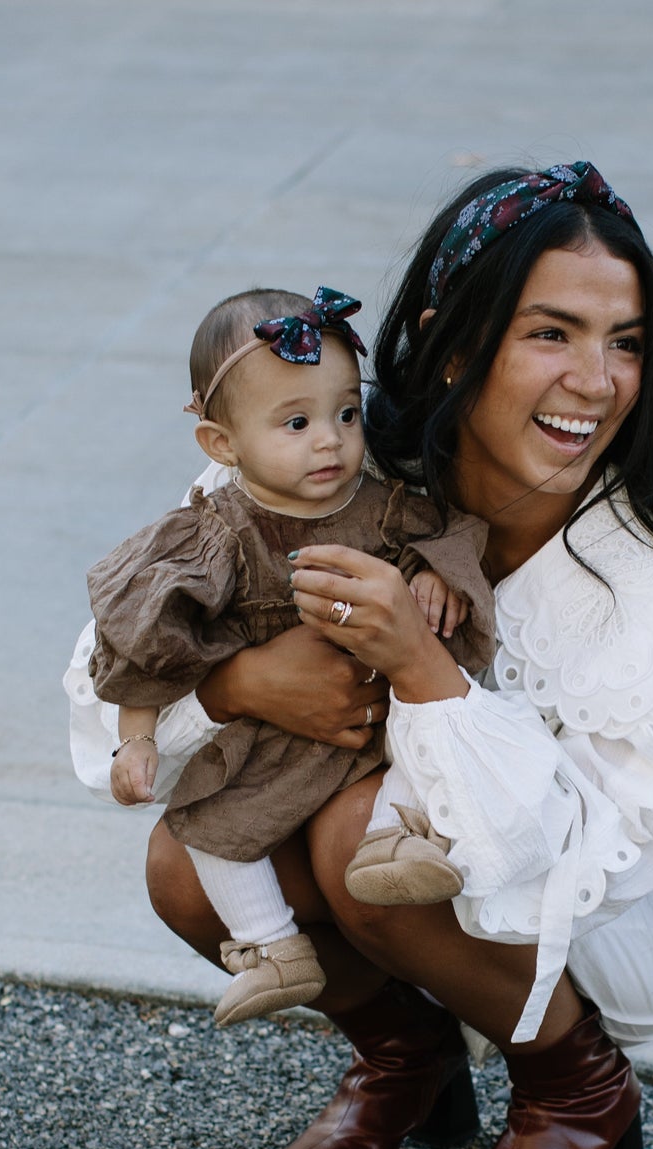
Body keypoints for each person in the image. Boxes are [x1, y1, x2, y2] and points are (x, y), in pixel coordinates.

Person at [67, 161, 653, 1149]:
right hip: (403, 874)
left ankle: (576, 1094)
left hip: (597, 919)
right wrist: (233, 684)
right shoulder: (328, 461)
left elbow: (596, 854)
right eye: (550, 334)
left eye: (626, 341)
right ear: (454, 341)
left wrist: (425, 672)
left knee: (352, 839)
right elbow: (109, 665)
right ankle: (406, 1061)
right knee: (186, 863)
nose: (595, 380)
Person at [76, 284, 494, 1027]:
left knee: (419, 758)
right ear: (221, 445)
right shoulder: (214, 535)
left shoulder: (387, 505)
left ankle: (404, 850)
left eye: (345, 414)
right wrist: (135, 740)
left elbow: (456, 531)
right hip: (276, 743)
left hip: (377, 720)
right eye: (296, 423)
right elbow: (145, 644)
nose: (330, 441)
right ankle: (273, 947)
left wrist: (438, 575)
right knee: (208, 822)